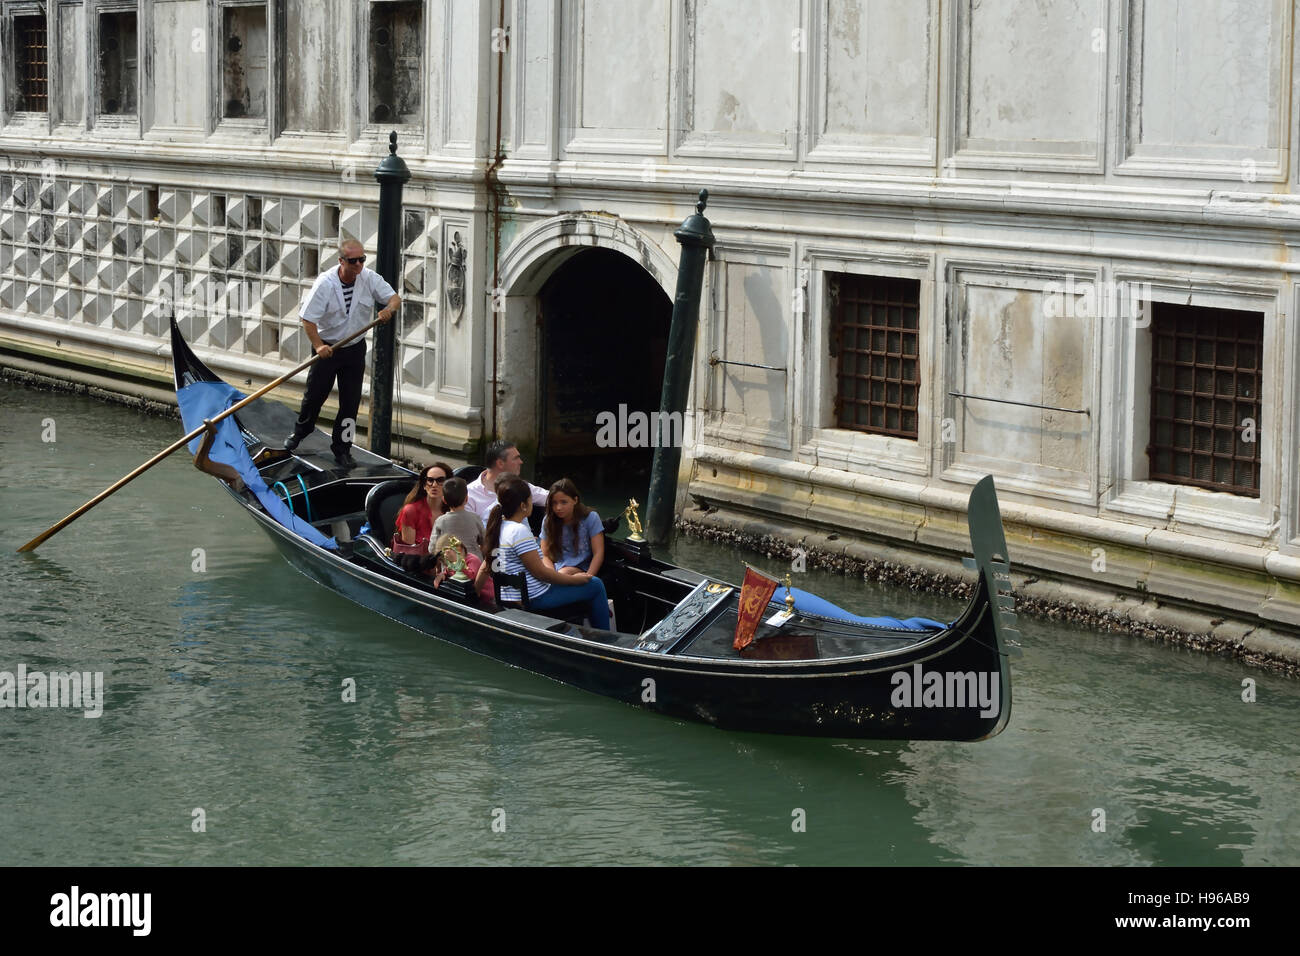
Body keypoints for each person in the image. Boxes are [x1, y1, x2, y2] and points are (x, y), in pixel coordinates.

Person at [284, 238, 401, 468]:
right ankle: (301, 431)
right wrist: (318, 346)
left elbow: (394, 298)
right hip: (327, 347)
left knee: (350, 403)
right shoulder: (325, 284)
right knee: (315, 395)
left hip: (354, 349)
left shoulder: (368, 278)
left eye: (362, 260)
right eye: (353, 261)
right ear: (341, 261)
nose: (358, 265)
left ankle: (343, 448)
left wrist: (389, 309)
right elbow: (308, 319)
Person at [475, 475, 610, 629]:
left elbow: (486, 565)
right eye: (531, 500)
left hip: (507, 596)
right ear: (523, 505)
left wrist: (474, 594)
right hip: (534, 598)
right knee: (596, 585)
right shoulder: (519, 531)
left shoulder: (498, 527)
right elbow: (541, 574)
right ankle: (604, 636)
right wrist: (577, 580)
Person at [465, 440, 547, 520]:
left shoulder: (520, 486)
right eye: (516, 458)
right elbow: (469, 530)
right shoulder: (469, 494)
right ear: (500, 463)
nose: (521, 462)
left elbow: (550, 497)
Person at [393, 462, 451, 572]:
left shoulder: (452, 511)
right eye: (430, 480)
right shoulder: (411, 511)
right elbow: (409, 558)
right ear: (424, 485)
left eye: (440, 480)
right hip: (420, 573)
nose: (434, 485)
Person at [540, 479, 604, 577]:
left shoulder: (591, 518)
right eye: (554, 503)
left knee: (564, 573)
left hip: (582, 569)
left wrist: (588, 577)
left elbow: (598, 553)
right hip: (556, 568)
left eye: (563, 502)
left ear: (575, 500)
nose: (558, 508)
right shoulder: (548, 520)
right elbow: (545, 555)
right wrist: (552, 575)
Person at [431, 533, 494, 604]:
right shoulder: (452, 565)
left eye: (445, 559)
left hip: (487, 597)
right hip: (470, 597)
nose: (445, 563)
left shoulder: (472, 560)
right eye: (442, 560)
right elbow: (448, 571)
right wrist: (442, 575)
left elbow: (469, 577)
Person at [432, 476, 485, 561]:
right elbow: (485, 543)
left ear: (444, 500)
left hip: (450, 567)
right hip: (474, 566)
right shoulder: (475, 518)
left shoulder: (440, 521)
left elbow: (432, 548)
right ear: (466, 499)